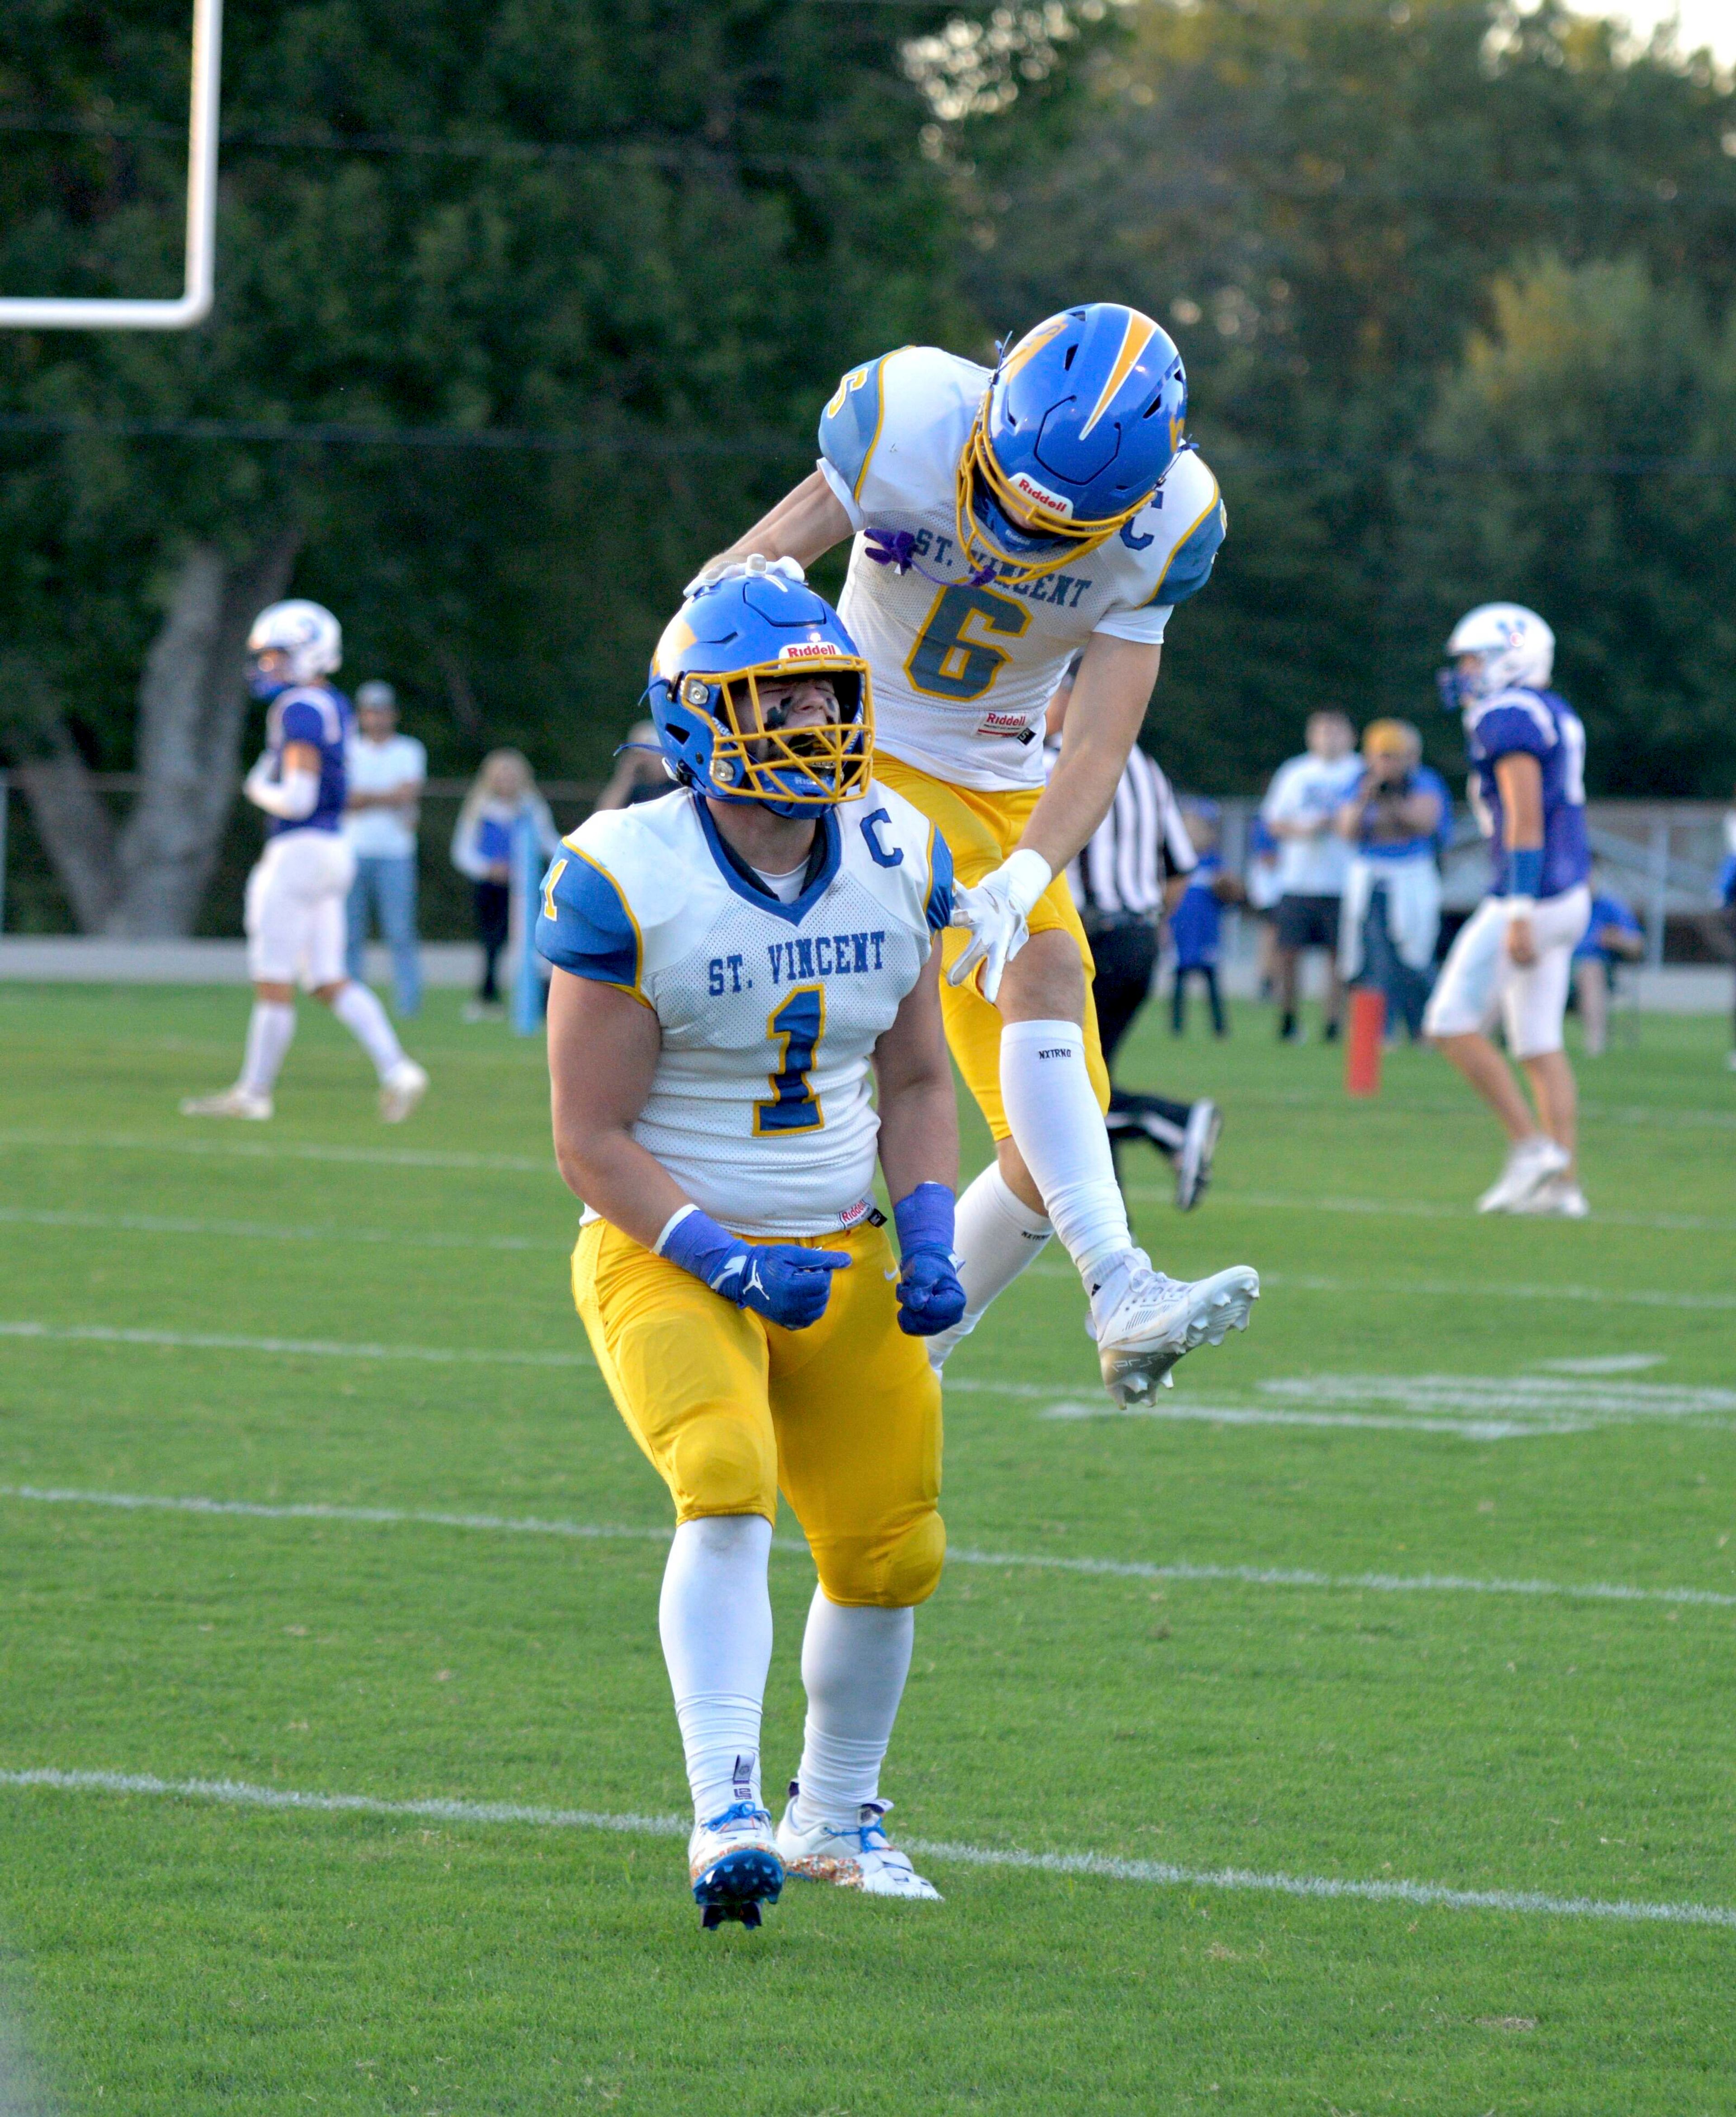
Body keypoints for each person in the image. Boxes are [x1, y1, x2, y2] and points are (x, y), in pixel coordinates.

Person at [686, 302, 1258, 1405]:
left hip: (998, 780)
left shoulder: (1169, 527)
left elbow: (1097, 739)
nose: (1016, 532)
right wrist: (720, 643)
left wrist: (1030, 871)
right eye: (1000, 494)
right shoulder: (906, 414)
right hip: (845, 750)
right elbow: (750, 563)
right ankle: (1119, 1281)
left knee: (1055, 1147)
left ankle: (901, 1364)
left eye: (1056, 524)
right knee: (1031, 991)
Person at [540, 567, 964, 1928]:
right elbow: (589, 1140)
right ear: (691, 718)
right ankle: (725, 1804)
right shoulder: (624, 873)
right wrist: (727, 1261)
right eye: (767, 699)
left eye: (822, 695)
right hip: (665, 1243)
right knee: (723, 1475)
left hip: (841, 1245)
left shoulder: (898, 846)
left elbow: (913, 1083)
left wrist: (932, 1227)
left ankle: (835, 1821)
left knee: (891, 1551)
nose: (804, 723)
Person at [180, 602, 428, 1124]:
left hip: (299, 850)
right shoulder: (332, 703)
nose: (267, 664)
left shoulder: (300, 707)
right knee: (327, 978)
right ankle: (398, 1068)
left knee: (274, 980)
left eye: (276, 654)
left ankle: (254, 1092)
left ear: (307, 652)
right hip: (334, 848)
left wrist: (257, 789)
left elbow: (296, 796)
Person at [1425, 602, 1592, 1215]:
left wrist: (1519, 905)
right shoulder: (1551, 710)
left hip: (1534, 894)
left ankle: (1530, 1148)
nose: (1465, 671)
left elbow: (1524, 817)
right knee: (1538, 1043)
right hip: (1568, 894)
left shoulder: (1509, 714)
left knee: (1448, 1022)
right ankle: (1564, 1187)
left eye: (1473, 659)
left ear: (1510, 655)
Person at [1042, 660, 1222, 1210]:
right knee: (1085, 1079)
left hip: (1085, 943)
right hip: (1137, 939)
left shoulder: (1051, 761)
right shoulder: (1143, 764)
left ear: (1075, 698)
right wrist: (1146, 924)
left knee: (1063, 1092)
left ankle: (1170, 1121)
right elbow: (1181, 870)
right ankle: (1115, 1238)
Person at [1334, 719, 1448, 1043]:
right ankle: (1378, 1031)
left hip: (1412, 875)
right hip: (1372, 877)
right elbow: (1347, 830)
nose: (1388, 764)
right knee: (1373, 957)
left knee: (1415, 954)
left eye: (1395, 756)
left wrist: (1392, 804)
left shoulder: (1424, 782)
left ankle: (1425, 1027)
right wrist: (1367, 799)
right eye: (1382, 756)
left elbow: (1423, 823)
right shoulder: (1358, 784)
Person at [1260, 710, 1362, 1041]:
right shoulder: (1295, 772)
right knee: (1288, 953)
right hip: (1299, 879)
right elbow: (1274, 821)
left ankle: (1333, 1022)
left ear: (1350, 736)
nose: (1330, 738)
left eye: (1337, 731)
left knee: (1339, 958)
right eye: (1323, 732)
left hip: (1344, 881)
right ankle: (1289, 1018)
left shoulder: (1360, 772)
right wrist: (1306, 828)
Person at [450, 749, 558, 1020]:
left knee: (536, 942)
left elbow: (548, 842)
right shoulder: (479, 808)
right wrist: (488, 869)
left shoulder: (532, 807)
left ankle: (542, 1000)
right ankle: (488, 998)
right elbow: (463, 851)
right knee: (491, 942)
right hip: (491, 887)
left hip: (526, 887)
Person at [342, 679, 427, 1016]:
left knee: (401, 933)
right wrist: (386, 797)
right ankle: (352, 1006)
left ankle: (408, 1006)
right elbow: (346, 800)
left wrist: (366, 797)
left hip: (396, 853)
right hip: (353, 850)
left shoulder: (409, 750)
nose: (376, 719)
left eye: (382, 711)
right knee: (350, 934)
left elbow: (407, 794)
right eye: (370, 712)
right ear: (362, 716)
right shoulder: (348, 749)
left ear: (393, 715)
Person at [1169, 799, 1240, 1040]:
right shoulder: (1177, 861)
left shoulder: (1214, 863)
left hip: (1207, 932)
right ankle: (1176, 1028)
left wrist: (1226, 886)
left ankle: (1219, 1028)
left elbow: (1232, 896)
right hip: (1181, 932)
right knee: (1179, 980)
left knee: (1211, 980)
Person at [1569, 871, 1644, 1057]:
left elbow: (1637, 944)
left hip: (1596, 971)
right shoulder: (1563, 906)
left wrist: (1617, 940)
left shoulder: (1610, 908)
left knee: (1590, 969)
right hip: (1559, 969)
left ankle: (1595, 1043)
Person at [593, 718, 674, 809]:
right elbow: (605, 813)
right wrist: (625, 777)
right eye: (639, 755)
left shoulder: (679, 783)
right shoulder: (632, 786)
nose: (645, 760)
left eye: (650, 755)